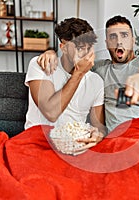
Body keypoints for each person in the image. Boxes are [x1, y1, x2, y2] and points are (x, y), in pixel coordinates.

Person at [37, 15, 139, 132]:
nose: (119, 42)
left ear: (133, 40)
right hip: (118, 140)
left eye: (124, 35)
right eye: (113, 37)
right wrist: (52, 54)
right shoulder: (98, 69)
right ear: (106, 43)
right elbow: (71, 64)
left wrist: (138, 81)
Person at [25, 17, 106, 151]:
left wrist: (98, 134)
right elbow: (51, 112)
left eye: (89, 48)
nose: (86, 54)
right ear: (63, 47)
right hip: (38, 143)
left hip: (74, 146)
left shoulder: (96, 81)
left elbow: (99, 125)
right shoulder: (41, 66)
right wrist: (79, 73)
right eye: (80, 47)